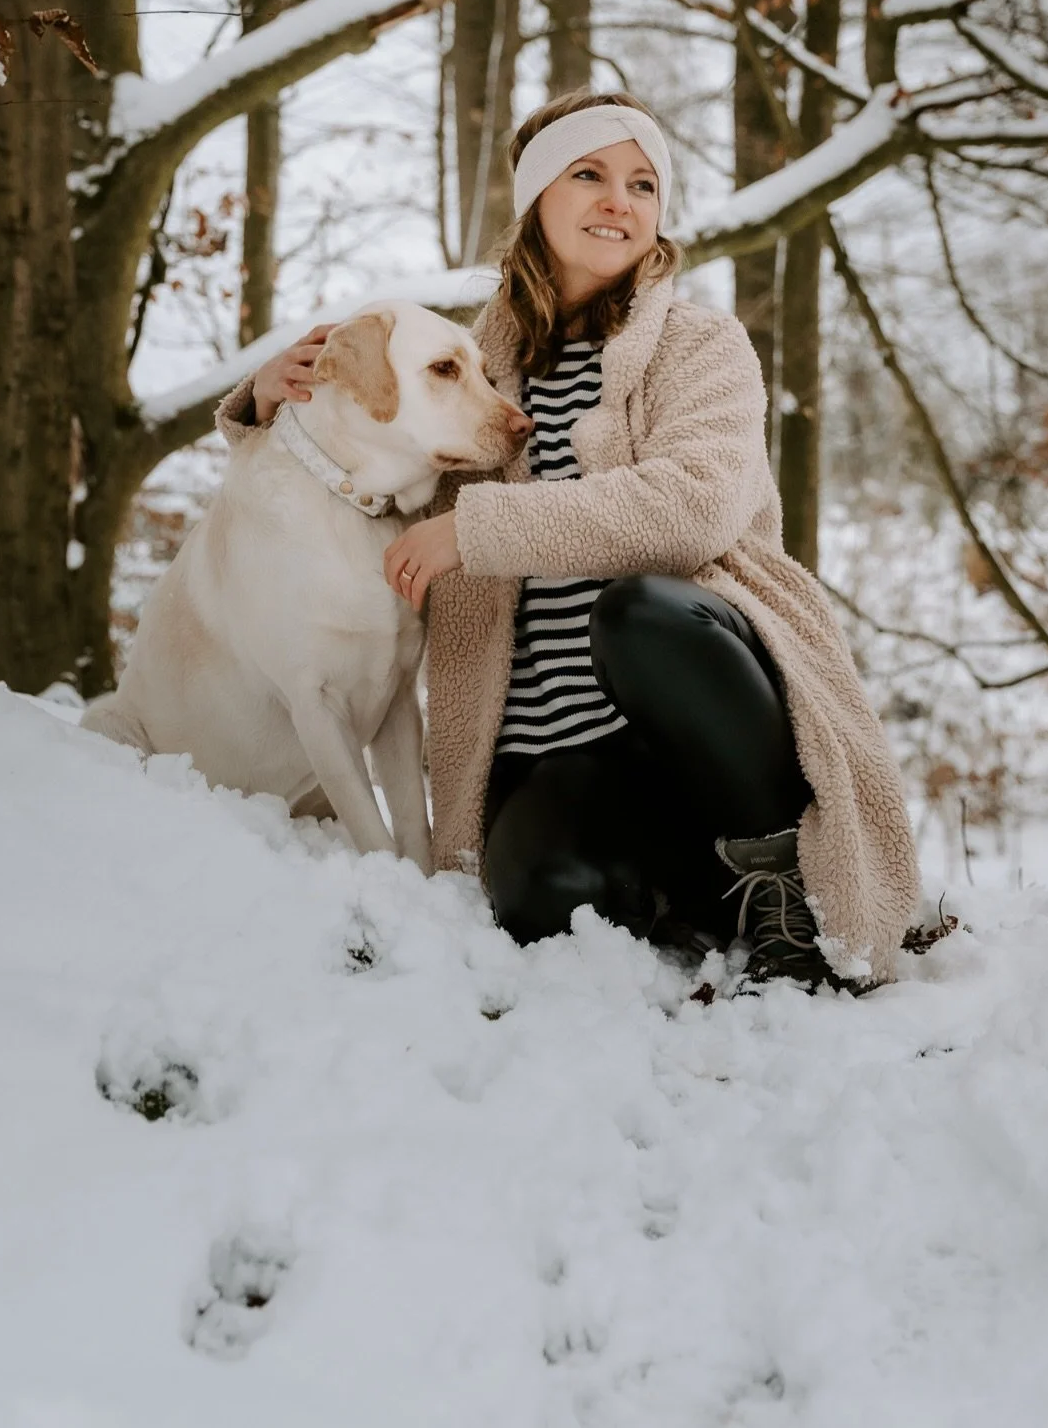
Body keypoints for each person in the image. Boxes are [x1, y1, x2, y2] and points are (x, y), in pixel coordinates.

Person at [218, 89, 919, 991]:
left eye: (640, 184)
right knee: (549, 899)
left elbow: (692, 506)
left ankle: (787, 889)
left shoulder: (699, 345)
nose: (616, 200)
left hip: (702, 717)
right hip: (554, 749)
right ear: (535, 200)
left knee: (643, 614)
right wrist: (271, 403)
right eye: (587, 174)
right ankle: (695, 898)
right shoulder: (469, 368)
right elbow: (362, 471)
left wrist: (477, 529)